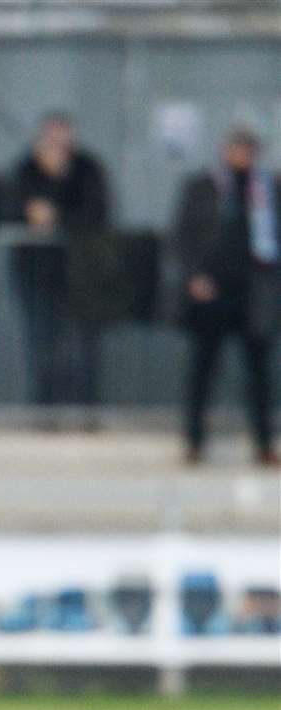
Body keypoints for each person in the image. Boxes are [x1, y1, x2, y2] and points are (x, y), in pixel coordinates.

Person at [172, 127, 279, 466]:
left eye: (248, 150)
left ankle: (264, 442)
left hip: (255, 289)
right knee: (203, 369)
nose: (242, 156)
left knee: (259, 373)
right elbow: (182, 236)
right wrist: (194, 277)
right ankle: (194, 441)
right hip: (212, 289)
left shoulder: (267, 188)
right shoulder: (203, 186)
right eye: (237, 148)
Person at [6, 113, 110, 409]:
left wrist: (56, 214)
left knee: (81, 346)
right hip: (35, 273)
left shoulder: (87, 168)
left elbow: (97, 212)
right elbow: (9, 207)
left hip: (80, 273)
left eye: (61, 134)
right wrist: (34, 208)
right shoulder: (26, 169)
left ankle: (83, 409)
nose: (56, 141)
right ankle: (45, 409)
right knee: (42, 344)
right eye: (50, 134)